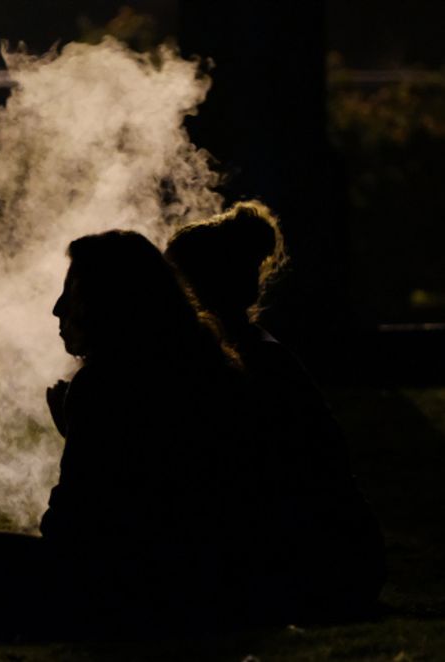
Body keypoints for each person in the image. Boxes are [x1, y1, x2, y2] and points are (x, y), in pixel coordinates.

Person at [0, 230, 253, 638]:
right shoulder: (210, 366)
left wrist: (77, 431)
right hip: (218, 580)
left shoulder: (104, 383)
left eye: (71, 294)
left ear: (107, 303)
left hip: (135, 587)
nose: (57, 310)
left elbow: (74, 527)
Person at [165, 201, 386, 623]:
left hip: (314, 566)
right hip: (337, 558)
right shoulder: (256, 353)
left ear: (196, 287)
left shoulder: (248, 364)